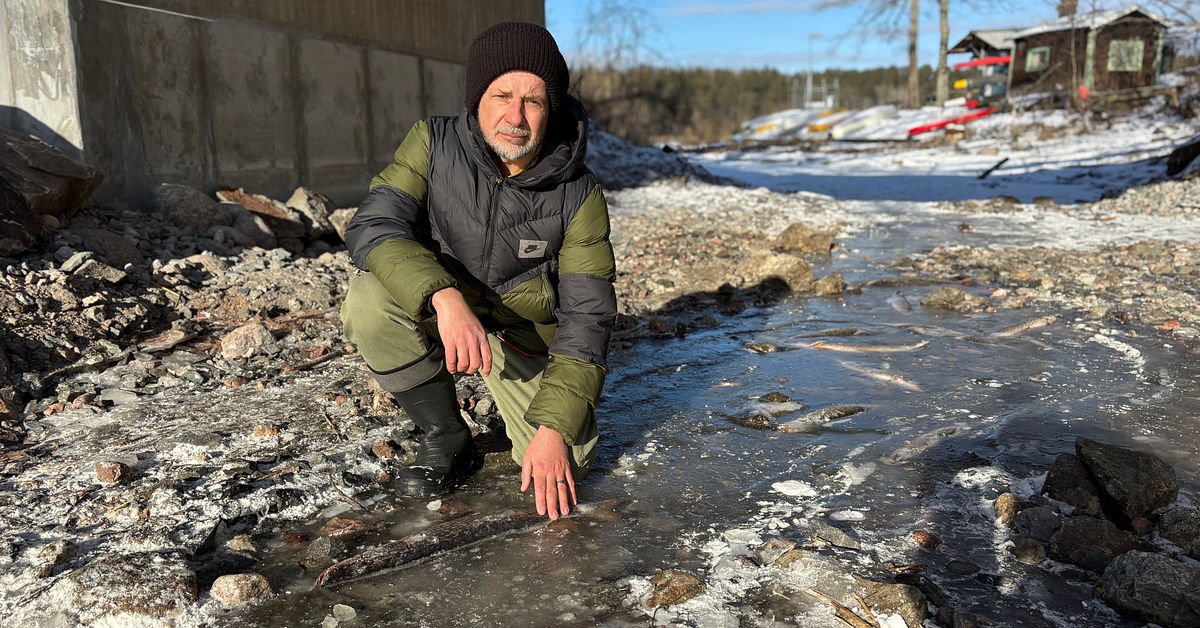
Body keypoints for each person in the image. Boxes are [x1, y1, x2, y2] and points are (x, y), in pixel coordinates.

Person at [341, 22, 615, 522]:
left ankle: (541, 427)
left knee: (570, 458)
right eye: (502, 95)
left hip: (519, 339)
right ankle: (446, 436)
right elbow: (374, 225)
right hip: (447, 313)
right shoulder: (431, 143)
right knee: (369, 301)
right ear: (476, 98)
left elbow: (588, 318)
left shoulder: (580, 194)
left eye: (533, 101)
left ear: (551, 109)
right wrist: (444, 297)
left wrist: (553, 431)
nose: (516, 116)